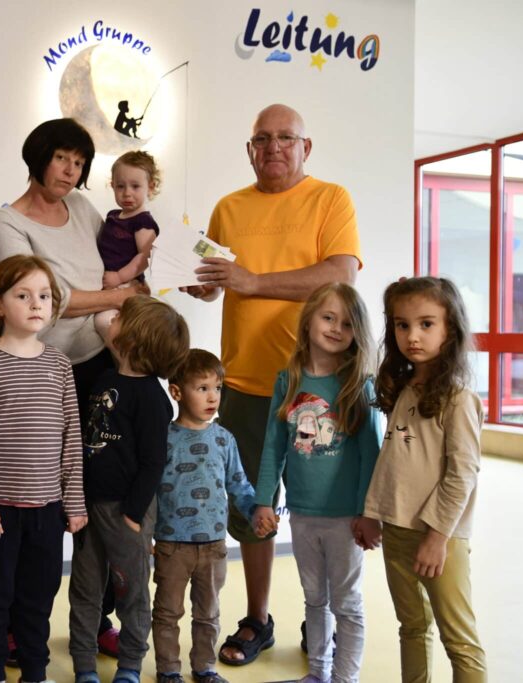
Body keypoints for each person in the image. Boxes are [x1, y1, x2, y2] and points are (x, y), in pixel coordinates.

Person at [184, 103, 362, 665]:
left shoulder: (331, 199)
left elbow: (341, 274)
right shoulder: (228, 207)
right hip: (243, 384)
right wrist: (204, 286)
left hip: (317, 387)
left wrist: (253, 281)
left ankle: (322, 619)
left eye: (286, 137)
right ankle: (258, 619)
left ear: (306, 148)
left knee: (322, 508)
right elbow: (217, 280)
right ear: (249, 150)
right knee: (251, 509)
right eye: (262, 139)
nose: (274, 147)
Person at [0, 118, 147, 654]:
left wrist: (151, 273)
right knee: (31, 502)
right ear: (38, 157)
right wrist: (121, 297)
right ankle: (15, 623)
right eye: (62, 158)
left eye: (79, 163)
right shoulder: (6, 223)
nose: (70, 171)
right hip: (37, 372)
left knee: (97, 499)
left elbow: (115, 267)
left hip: (101, 364)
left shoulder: (82, 208)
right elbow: (47, 299)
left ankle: (95, 620)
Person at [0, 254, 86, 683]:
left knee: (38, 597)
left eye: (44, 296)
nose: (36, 304)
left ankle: (35, 671)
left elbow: (71, 438)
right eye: (23, 295)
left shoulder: (59, 365)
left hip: (47, 510)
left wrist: (74, 501)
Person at [250, 283, 382, 682]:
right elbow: (274, 447)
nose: (336, 328)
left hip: (346, 518)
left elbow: (371, 455)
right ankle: (319, 673)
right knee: (314, 600)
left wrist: (367, 512)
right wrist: (263, 500)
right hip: (303, 514)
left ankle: (344, 678)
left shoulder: (359, 385)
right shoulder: (287, 381)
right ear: (308, 321)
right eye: (328, 317)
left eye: (347, 323)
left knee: (347, 605)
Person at [362, 277, 487, 682]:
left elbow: (462, 474)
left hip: (440, 537)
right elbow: (394, 460)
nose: (412, 336)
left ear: (451, 328)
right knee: (412, 627)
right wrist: (372, 513)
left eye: (426, 324)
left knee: (459, 640)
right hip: (397, 528)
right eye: (402, 325)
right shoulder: (403, 388)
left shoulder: (459, 399)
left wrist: (436, 537)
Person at [69, 295, 190, 683]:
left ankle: (131, 664)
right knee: (85, 589)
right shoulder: (105, 380)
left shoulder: (153, 398)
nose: (112, 319)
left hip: (127, 511)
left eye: (121, 317)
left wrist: (134, 514)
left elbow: (154, 462)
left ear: (134, 340)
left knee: (131, 590)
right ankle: (84, 665)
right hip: (91, 507)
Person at [152, 349, 260, 683]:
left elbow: (239, 484)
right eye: (202, 388)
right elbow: (148, 490)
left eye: (217, 388)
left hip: (213, 545)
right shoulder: (163, 439)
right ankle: (169, 670)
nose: (213, 397)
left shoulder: (224, 439)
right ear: (177, 392)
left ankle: (204, 668)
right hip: (172, 544)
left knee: (208, 614)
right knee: (167, 612)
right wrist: (143, 534)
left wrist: (256, 512)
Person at [94, 151, 161, 339]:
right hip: (110, 283)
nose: (127, 193)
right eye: (120, 186)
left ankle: (126, 356)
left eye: (135, 186)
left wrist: (119, 276)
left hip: (127, 283)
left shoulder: (143, 223)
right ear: (112, 186)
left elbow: (145, 257)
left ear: (150, 187)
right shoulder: (113, 215)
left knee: (105, 322)